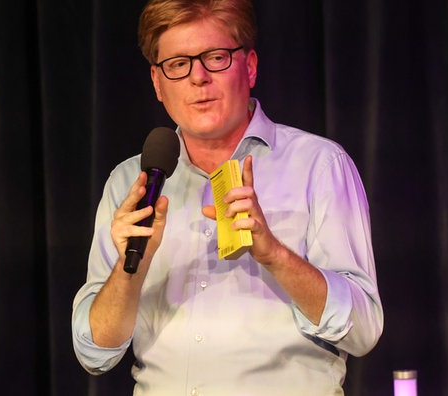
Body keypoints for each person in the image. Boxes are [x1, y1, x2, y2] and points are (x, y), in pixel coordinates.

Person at [71, 0, 383, 394]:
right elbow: (95, 353)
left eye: (215, 57)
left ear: (249, 66)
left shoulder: (319, 166)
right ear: (157, 83)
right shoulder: (129, 184)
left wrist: (274, 254)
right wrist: (131, 267)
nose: (197, 78)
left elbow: (364, 331)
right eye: (178, 64)